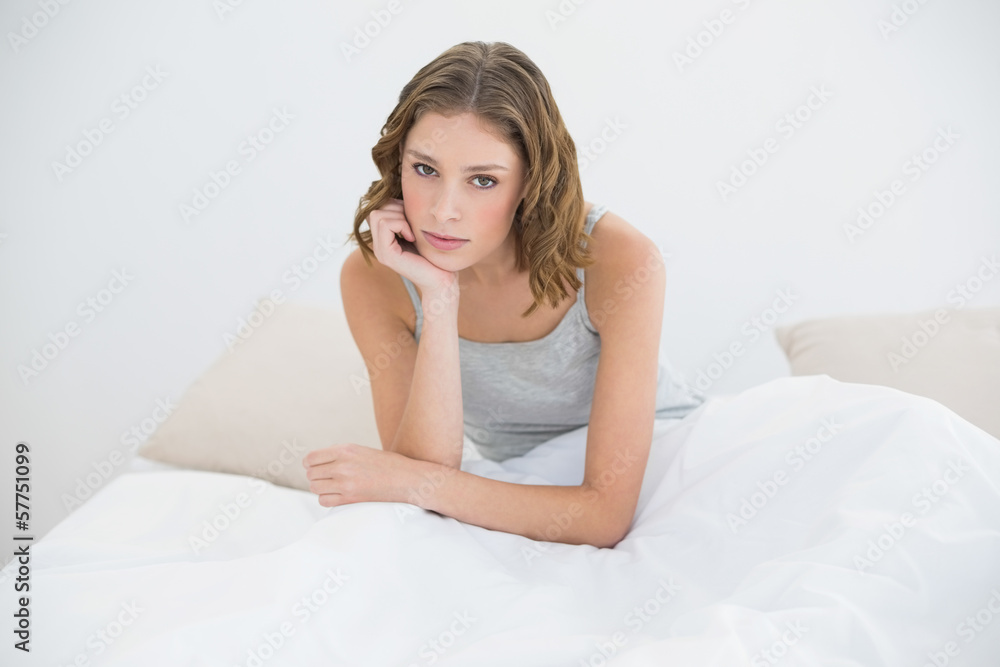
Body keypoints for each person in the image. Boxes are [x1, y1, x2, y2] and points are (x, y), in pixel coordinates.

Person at [301, 41, 705, 548]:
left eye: (484, 180)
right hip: (506, 483)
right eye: (425, 169)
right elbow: (420, 475)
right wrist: (439, 298)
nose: (444, 211)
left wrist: (412, 482)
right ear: (397, 163)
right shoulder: (376, 277)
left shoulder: (619, 259)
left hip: (664, 468)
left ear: (530, 184)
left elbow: (604, 516)